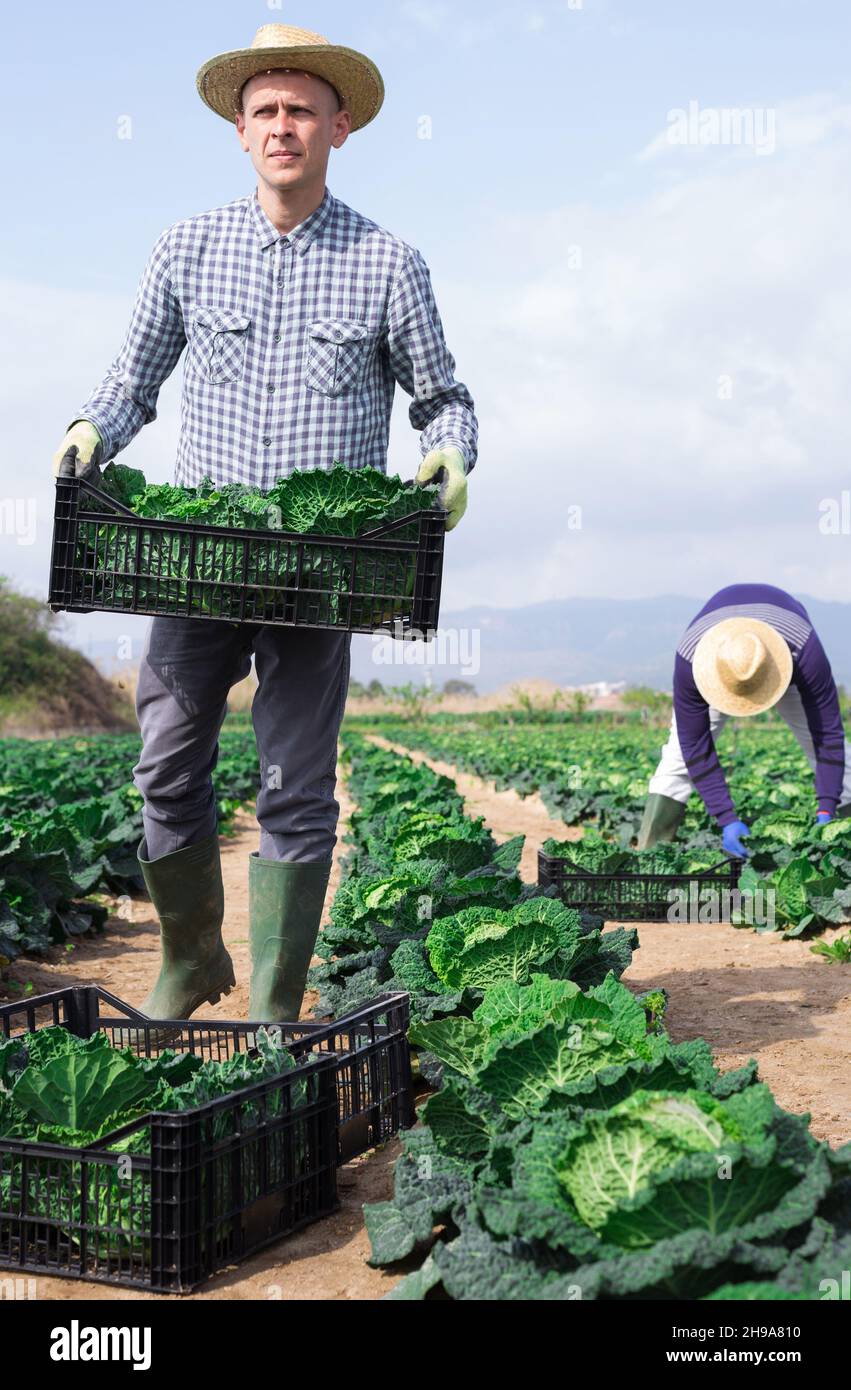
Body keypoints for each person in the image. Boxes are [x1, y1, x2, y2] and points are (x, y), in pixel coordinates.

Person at [50, 22, 478, 1022]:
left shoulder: (387, 263)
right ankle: (188, 961)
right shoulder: (186, 247)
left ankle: (277, 1005)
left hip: (317, 575)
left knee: (293, 782)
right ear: (240, 133)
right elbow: (131, 382)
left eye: (300, 111)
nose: (282, 126)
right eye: (264, 112)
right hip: (195, 565)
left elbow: (443, 398)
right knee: (164, 762)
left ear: (338, 127)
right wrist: (87, 430)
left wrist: (451, 453)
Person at [637, 583, 851, 854]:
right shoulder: (691, 661)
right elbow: (694, 745)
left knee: (841, 762)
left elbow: (828, 736)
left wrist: (826, 809)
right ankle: (649, 858)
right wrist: (726, 818)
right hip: (714, 664)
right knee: (676, 759)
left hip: (786, 660)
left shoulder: (803, 649)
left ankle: (842, 842)